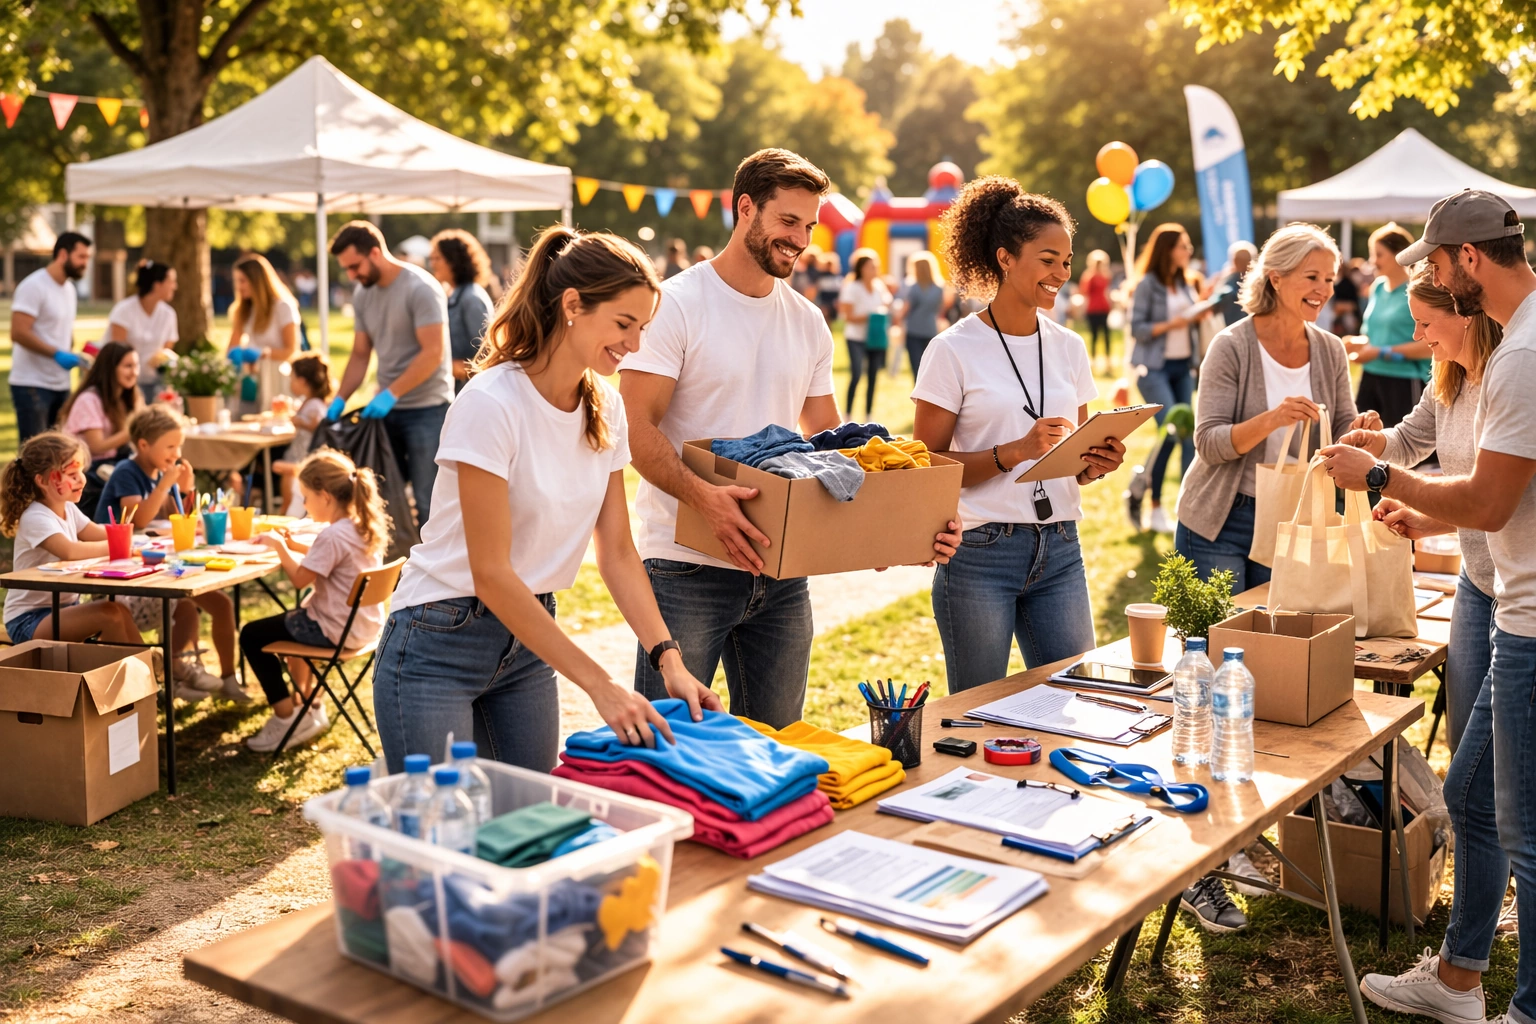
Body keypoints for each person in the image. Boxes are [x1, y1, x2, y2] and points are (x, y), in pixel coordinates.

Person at [620, 148, 960, 728]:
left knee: (778, 750)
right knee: (670, 751)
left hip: (781, 572)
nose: (800, 239)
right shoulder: (673, 305)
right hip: (686, 566)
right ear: (745, 208)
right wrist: (707, 500)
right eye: (788, 221)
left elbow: (829, 450)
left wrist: (884, 530)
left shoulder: (806, 321)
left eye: (808, 225)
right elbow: (638, 430)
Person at [373, 226, 719, 772]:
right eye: (624, 324)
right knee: (446, 839)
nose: (634, 344)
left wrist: (669, 659)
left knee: (528, 831)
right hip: (438, 640)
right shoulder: (492, 403)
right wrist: (601, 686)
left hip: (529, 641)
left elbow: (619, 554)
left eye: (643, 328)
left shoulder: (606, 407)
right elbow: (491, 573)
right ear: (574, 305)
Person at [1317, 190, 1536, 1024]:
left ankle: (1497, 993)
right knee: (1480, 794)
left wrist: (1380, 480)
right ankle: (1461, 976)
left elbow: (1486, 499)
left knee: (1508, 813)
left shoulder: (1516, 361)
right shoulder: (1478, 366)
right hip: (1500, 600)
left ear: (1465, 270)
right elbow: (1437, 457)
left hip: (1523, 608)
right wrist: (1383, 454)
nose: (1419, 334)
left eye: (1430, 296)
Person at [911, 177, 1123, 692]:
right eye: (1048, 260)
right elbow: (926, 467)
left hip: (1061, 546)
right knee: (976, 713)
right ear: (1006, 259)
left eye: (1067, 262)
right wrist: (1015, 452)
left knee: (1078, 702)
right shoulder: (952, 349)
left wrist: (1096, 462)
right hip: (981, 551)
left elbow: (1072, 456)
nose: (1061, 274)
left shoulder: (1070, 347)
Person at [1338, 266, 1501, 756]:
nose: (1416, 336)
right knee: (1465, 739)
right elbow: (1409, 439)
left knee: (1497, 752)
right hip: (1475, 580)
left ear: (1465, 316)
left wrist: (1377, 472)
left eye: (1425, 323)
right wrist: (1376, 442)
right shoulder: (1446, 376)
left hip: (1518, 585)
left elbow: (1499, 497)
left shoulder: (1507, 380)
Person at [1174, 224, 1356, 592]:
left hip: (1294, 518)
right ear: (1276, 279)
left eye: (1329, 278)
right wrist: (1273, 419)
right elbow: (1209, 442)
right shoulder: (1231, 347)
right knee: (1220, 644)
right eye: (1312, 277)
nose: (1324, 289)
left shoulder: (1330, 349)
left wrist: (1361, 429)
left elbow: (1340, 425)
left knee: (1275, 643)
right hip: (1222, 520)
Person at [242, 449, 390, 751]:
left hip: (333, 630)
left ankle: (286, 718)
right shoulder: (360, 526)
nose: (305, 506)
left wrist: (281, 546)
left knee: (251, 635)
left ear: (325, 496)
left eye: (306, 498)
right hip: (365, 627)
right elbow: (327, 556)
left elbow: (299, 579)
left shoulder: (332, 536)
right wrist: (295, 543)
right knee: (295, 619)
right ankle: (309, 706)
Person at [96, 406, 243, 702]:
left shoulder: (162, 472)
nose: (176, 453)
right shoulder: (128, 472)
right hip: (124, 579)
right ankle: (172, 673)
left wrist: (184, 491)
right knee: (185, 606)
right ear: (143, 445)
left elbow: (179, 521)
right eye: (170, 446)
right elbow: (138, 520)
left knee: (221, 605)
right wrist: (166, 484)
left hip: (164, 565)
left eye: (180, 446)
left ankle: (228, 680)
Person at [327, 221, 453, 529]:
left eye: (355, 266)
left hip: (428, 410)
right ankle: (393, 573)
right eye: (347, 269)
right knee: (384, 499)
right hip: (387, 415)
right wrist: (339, 398)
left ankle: (436, 574)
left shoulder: (420, 288)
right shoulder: (362, 294)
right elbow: (360, 353)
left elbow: (432, 353)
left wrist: (391, 392)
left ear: (375, 252)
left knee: (428, 501)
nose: (352, 275)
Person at [0, 432, 140, 645]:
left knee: (119, 611)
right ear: (42, 481)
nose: (81, 479)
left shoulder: (68, 508)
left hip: (64, 609)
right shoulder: (35, 516)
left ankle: (144, 667)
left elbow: (97, 532)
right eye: (72, 474)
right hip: (28, 619)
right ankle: (138, 671)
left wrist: (142, 539)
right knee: (109, 614)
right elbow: (70, 551)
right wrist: (121, 547)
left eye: (81, 471)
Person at [1127, 224, 1211, 535]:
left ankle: (1186, 507)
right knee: (1170, 434)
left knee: (1189, 436)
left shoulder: (1187, 283)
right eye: (1183, 246)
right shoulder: (1149, 284)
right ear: (1168, 249)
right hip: (1155, 369)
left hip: (1183, 369)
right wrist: (1173, 324)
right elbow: (1138, 329)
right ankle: (1153, 503)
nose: (1188, 252)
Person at [1344, 224, 1431, 428]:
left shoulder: (1416, 292)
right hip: (1370, 378)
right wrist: (1354, 343)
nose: (1373, 261)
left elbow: (1427, 348)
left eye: (1378, 254)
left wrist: (1380, 352)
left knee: (1403, 455)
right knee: (1361, 443)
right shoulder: (1378, 288)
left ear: (1399, 255)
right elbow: (1375, 336)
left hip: (1402, 382)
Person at [10, 232, 91, 443]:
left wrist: (74, 353)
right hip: (32, 384)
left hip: (61, 384)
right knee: (33, 457)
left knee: (57, 453)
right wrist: (56, 353)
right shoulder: (34, 286)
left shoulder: (69, 290)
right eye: (81, 257)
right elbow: (18, 332)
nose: (85, 263)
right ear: (63, 254)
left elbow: (62, 329)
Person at [58, 341, 144, 514]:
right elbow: (96, 447)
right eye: (128, 366)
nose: (134, 372)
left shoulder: (129, 397)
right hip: (86, 469)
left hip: (110, 465)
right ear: (110, 368)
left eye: (136, 365)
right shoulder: (89, 399)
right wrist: (133, 429)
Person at [226, 253, 300, 417]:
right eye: (237, 281)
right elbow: (232, 346)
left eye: (243, 281)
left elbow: (291, 350)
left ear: (257, 281)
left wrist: (263, 353)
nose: (239, 286)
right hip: (253, 380)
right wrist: (234, 356)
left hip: (278, 381)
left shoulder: (283, 307)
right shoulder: (244, 310)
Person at [429, 229, 495, 394]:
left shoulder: (471, 298)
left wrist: (450, 366)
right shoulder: (452, 293)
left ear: (454, 261)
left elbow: (489, 355)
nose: (432, 264)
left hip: (473, 392)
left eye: (438, 258)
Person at [106, 260, 179, 403]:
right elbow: (117, 352)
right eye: (171, 281)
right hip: (124, 384)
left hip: (154, 383)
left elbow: (166, 351)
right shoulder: (124, 311)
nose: (175, 286)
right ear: (157, 285)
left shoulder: (168, 314)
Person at [272, 353, 333, 515]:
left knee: (276, 466)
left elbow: (320, 425)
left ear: (302, 381)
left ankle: (285, 511)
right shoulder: (309, 402)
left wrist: (303, 423)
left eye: (292, 378)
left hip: (303, 459)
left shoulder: (315, 405)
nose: (290, 383)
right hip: (297, 456)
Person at [838, 250, 893, 417]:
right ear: (861, 268)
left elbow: (888, 305)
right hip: (856, 338)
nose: (874, 270)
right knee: (856, 375)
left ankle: (868, 416)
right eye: (870, 267)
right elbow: (847, 316)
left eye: (875, 267)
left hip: (875, 338)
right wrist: (870, 316)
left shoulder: (879, 287)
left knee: (873, 377)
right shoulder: (852, 287)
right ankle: (847, 415)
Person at [895, 250, 949, 377]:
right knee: (929, 368)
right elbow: (941, 308)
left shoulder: (913, 287)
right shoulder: (939, 288)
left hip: (914, 330)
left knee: (916, 368)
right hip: (931, 329)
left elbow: (906, 309)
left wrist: (897, 318)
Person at [1079, 249, 1113, 373]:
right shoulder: (1089, 277)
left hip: (1103, 309)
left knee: (1106, 336)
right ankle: (1092, 362)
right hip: (1093, 309)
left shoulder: (1105, 276)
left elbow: (1107, 291)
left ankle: (1108, 363)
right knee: (1094, 336)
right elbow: (1085, 292)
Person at [814, 251, 843, 325]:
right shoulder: (820, 276)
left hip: (833, 303)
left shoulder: (837, 278)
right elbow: (817, 291)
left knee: (830, 322)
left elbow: (839, 292)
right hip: (823, 302)